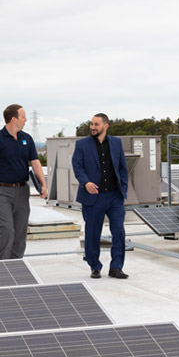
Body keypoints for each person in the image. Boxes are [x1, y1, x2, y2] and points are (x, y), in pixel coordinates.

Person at [0, 104, 47, 259]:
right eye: (23, 116)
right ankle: (0, 265)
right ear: (14, 119)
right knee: (8, 230)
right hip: (2, 192)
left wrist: (43, 184)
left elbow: (35, 163)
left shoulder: (27, 139)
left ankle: (15, 265)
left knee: (20, 232)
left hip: (23, 191)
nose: (26, 120)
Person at [71, 113, 129, 279]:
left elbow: (122, 168)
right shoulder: (82, 144)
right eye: (91, 124)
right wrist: (85, 182)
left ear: (106, 126)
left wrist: (122, 189)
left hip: (114, 197)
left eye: (96, 124)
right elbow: (77, 166)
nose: (92, 127)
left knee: (119, 232)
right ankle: (94, 266)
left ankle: (116, 267)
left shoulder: (116, 143)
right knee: (92, 233)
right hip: (93, 197)